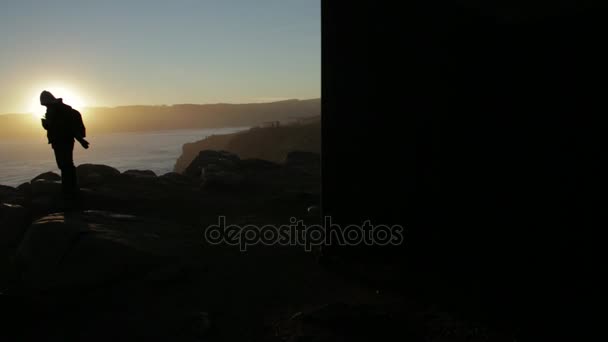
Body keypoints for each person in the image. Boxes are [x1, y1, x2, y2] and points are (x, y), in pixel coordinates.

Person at [40, 90, 89, 200]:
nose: (45, 106)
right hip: (61, 140)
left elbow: (68, 127)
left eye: (45, 104)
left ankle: (69, 190)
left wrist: (81, 141)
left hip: (63, 140)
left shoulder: (60, 110)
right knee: (65, 165)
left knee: (66, 165)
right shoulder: (55, 109)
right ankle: (70, 189)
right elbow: (57, 126)